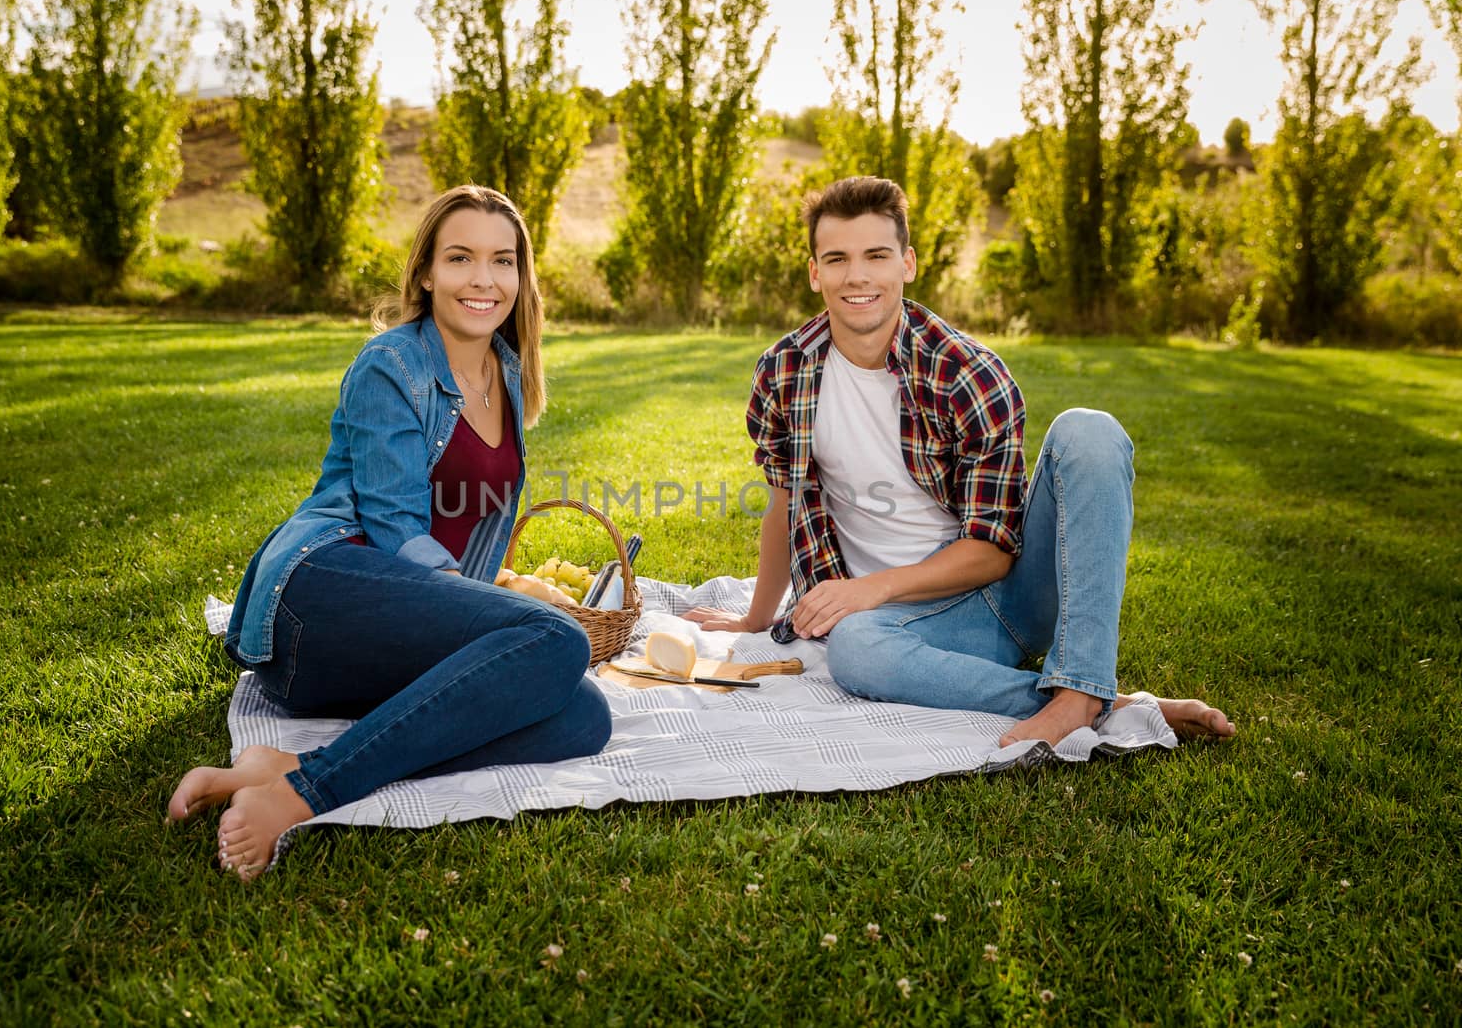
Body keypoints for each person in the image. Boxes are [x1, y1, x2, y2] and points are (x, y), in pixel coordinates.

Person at [686, 176, 1234, 748]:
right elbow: (785, 504)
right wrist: (755, 618)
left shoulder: (966, 372)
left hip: (1011, 598)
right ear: (814, 272)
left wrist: (870, 588)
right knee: (853, 648)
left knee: (1088, 431)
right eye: (837, 258)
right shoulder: (784, 371)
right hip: (897, 627)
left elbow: (994, 552)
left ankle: (1080, 686)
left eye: (876, 255)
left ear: (907, 263)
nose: (857, 276)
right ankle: (1096, 701)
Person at [168, 186, 611, 880]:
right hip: (317, 597)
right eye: (460, 257)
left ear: (523, 278)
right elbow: (397, 528)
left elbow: (470, 535)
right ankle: (302, 794)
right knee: (557, 638)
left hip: (389, 630)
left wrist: (492, 604)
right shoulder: (391, 364)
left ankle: (288, 765)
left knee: (585, 715)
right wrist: (504, 616)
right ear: (427, 272)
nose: (483, 279)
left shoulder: (510, 370)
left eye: (503, 261)